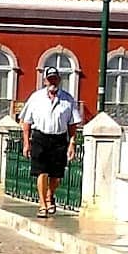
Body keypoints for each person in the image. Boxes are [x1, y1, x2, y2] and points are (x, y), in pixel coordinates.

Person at [19, 66, 81, 217]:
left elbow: (72, 124)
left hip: (59, 139)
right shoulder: (36, 98)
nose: (52, 81)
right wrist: (26, 143)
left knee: (56, 174)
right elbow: (26, 121)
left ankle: (50, 195)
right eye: (50, 78)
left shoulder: (67, 99)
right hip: (40, 137)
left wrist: (72, 142)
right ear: (45, 80)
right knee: (41, 171)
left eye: (55, 78)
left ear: (59, 80)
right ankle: (42, 204)